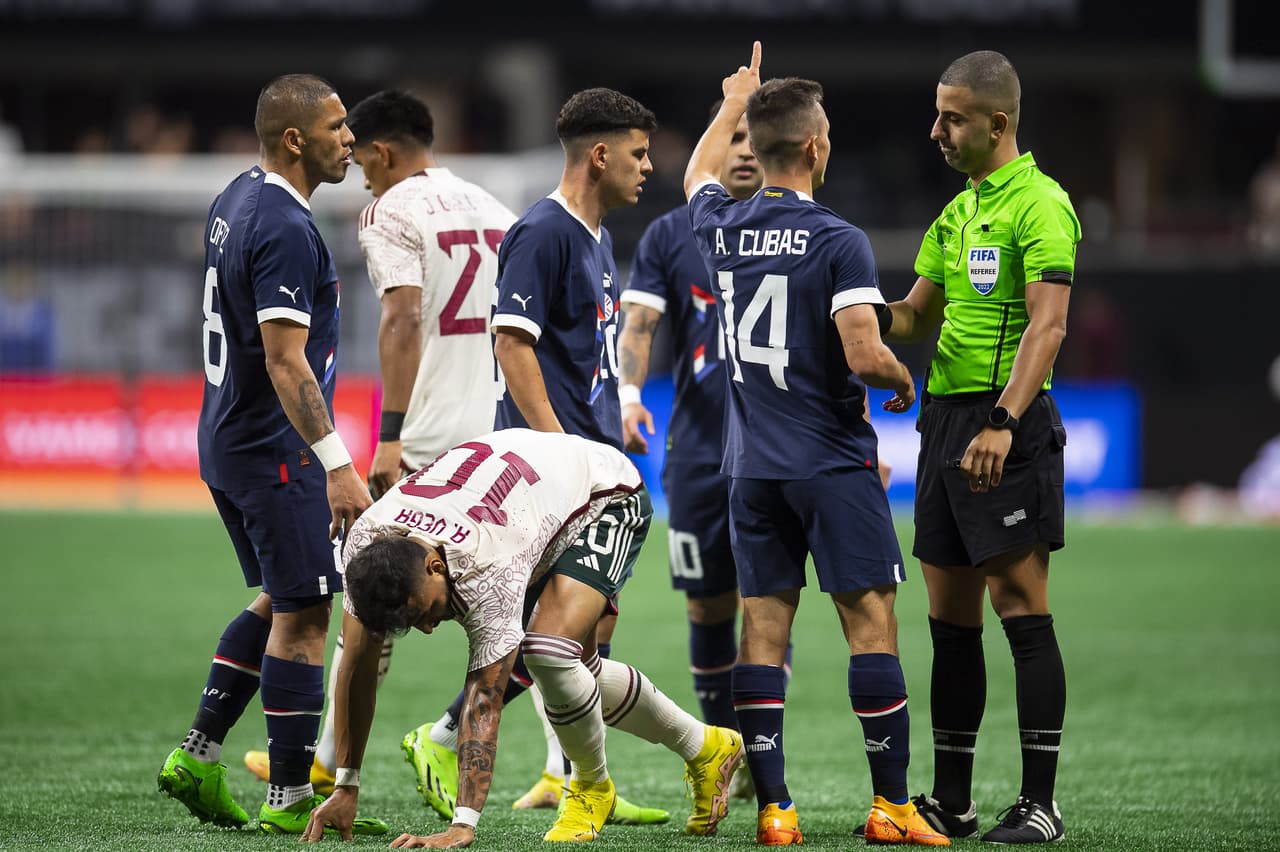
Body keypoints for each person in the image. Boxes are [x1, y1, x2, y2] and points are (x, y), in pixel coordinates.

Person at [684, 44, 947, 846]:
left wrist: (734, 99)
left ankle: (775, 810)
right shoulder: (838, 239)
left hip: (750, 469)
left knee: (762, 633)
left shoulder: (722, 226)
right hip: (831, 462)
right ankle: (891, 806)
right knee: (871, 624)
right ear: (813, 148)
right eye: (824, 130)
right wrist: (903, 380)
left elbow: (695, 175)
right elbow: (865, 353)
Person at [240, 89, 517, 813]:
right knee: (526, 609)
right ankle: (572, 774)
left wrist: (390, 434)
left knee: (367, 602)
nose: (358, 169)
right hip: (496, 440)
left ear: (384, 152)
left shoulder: (389, 211)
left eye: (361, 154)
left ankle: (331, 766)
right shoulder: (497, 208)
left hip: (429, 436)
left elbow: (401, 315)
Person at [299, 429, 745, 846]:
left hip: (604, 495)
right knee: (578, 674)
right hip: (527, 498)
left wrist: (462, 825)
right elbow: (356, 664)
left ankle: (590, 787)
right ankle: (706, 747)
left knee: (548, 652)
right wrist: (346, 785)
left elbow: (484, 700)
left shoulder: (486, 570)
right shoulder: (364, 545)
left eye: (427, 612)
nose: (431, 628)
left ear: (435, 566)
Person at [156, 73, 384, 838]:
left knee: (284, 597)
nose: (349, 138)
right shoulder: (286, 226)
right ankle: (289, 802)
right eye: (337, 126)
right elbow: (287, 362)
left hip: (225, 433)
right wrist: (338, 464)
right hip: (272, 447)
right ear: (295, 139)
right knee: (307, 619)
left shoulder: (236, 197)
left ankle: (198, 752)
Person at [881, 50, 1079, 844]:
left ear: (998, 123)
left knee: (1021, 610)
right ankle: (953, 803)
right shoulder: (957, 213)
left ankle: (1041, 804)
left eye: (952, 117)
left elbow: (1049, 324)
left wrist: (1003, 419)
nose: (936, 130)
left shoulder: (1042, 204)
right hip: (943, 425)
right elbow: (915, 316)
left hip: (1007, 425)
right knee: (950, 621)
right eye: (938, 113)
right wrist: (854, 319)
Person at [482, 86, 671, 825]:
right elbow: (512, 347)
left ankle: (575, 777)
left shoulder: (594, 238)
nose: (647, 167)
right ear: (599, 155)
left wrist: (615, 413)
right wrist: (565, 455)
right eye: (637, 152)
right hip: (553, 472)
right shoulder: (543, 233)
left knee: (585, 633)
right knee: (554, 636)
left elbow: (582, 352)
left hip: (592, 462)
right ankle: (445, 739)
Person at [616, 101, 767, 801]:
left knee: (769, 603)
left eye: (755, 138)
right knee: (708, 607)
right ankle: (721, 750)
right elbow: (641, 321)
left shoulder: (792, 227)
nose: (743, 150)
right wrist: (627, 392)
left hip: (777, 450)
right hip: (700, 452)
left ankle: (766, 750)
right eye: (731, 137)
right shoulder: (672, 234)